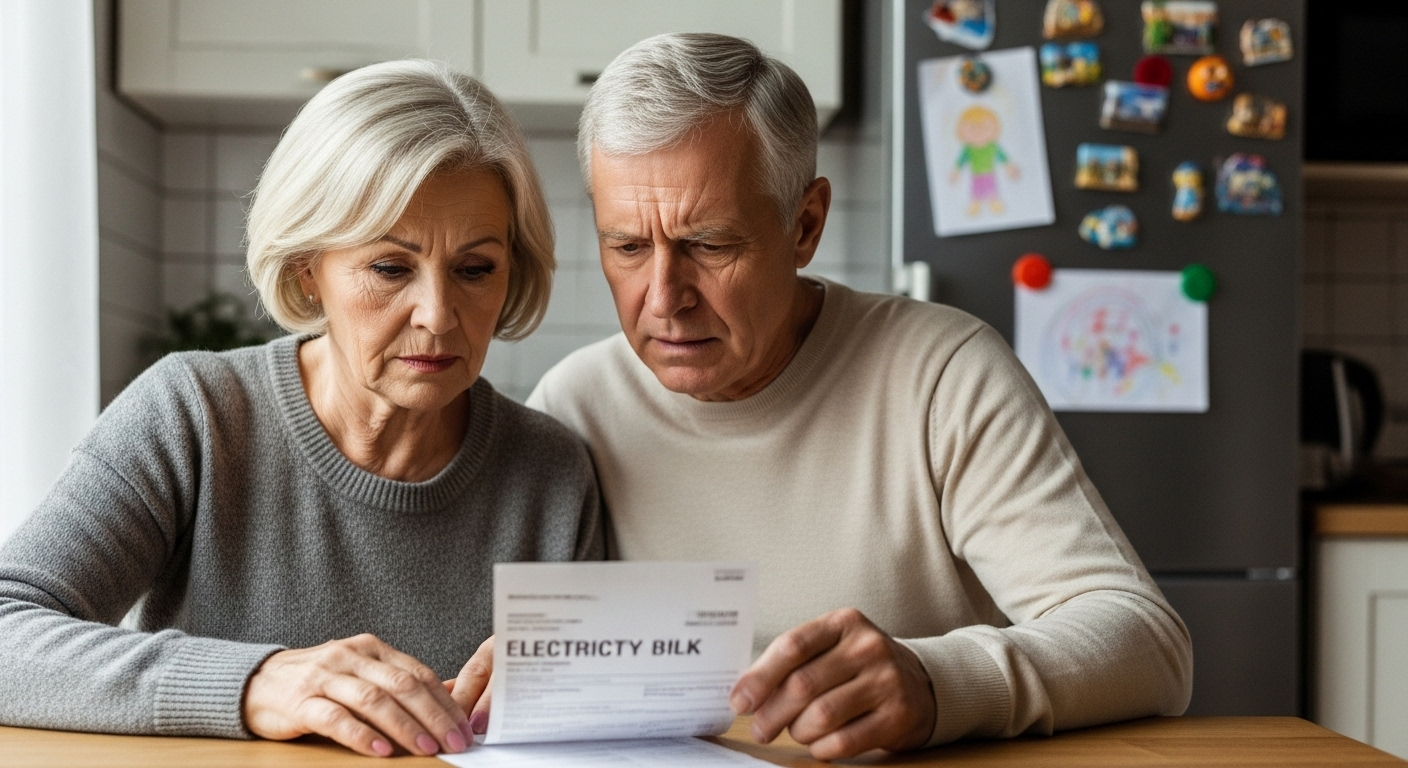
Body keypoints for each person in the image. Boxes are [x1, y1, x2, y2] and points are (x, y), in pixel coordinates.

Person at [522, 33, 1193, 760]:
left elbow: (1148, 643)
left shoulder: (942, 374)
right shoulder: (575, 405)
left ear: (805, 224)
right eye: (626, 247)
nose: (664, 300)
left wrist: (937, 683)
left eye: (710, 245)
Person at [0, 60, 602, 759]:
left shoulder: (553, 474)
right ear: (306, 270)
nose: (439, 317)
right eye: (390, 268)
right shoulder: (193, 414)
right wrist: (256, 681)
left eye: (475, 269)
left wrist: (582, 683)